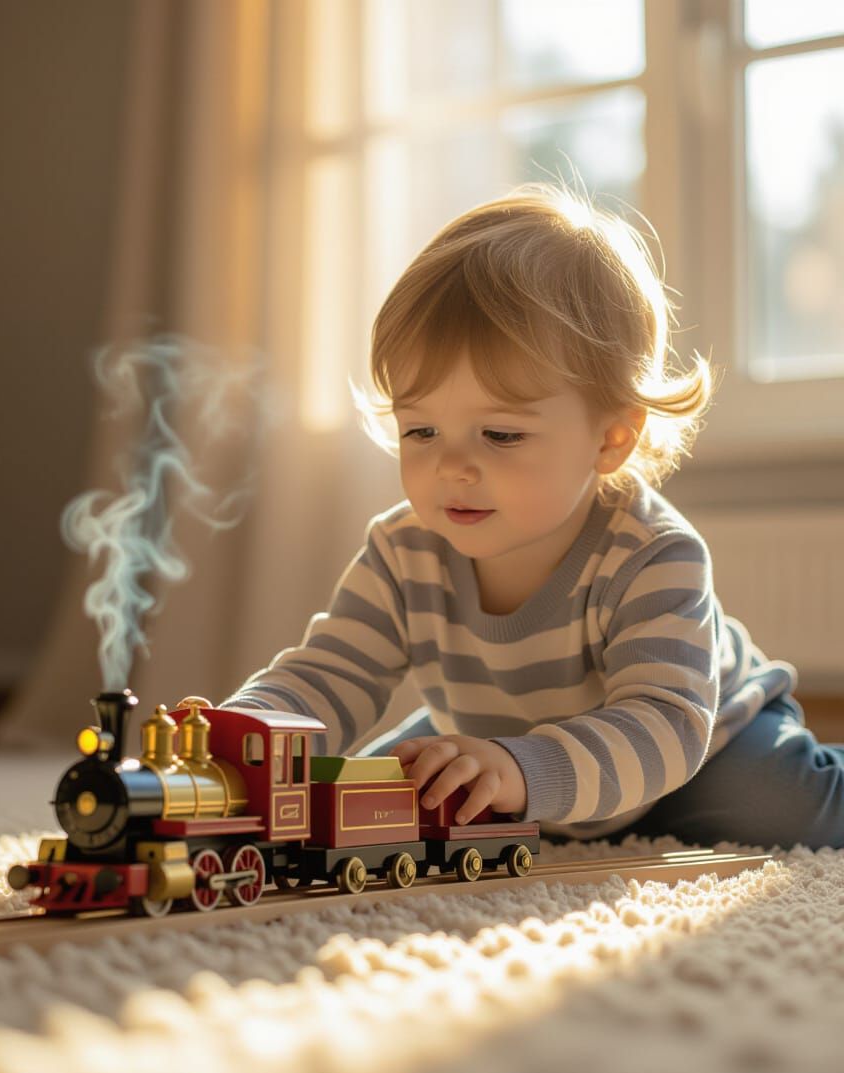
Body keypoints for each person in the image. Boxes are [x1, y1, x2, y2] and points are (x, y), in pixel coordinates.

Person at [224, 183, 844, 850]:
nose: (451, 468)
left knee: (779, 811)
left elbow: (663, 724)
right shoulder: (403, 549)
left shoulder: (652, 553)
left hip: (700, 742)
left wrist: (522, 767)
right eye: (421, 432)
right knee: (371, 798)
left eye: (500, 435)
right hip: (494, 736)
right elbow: (329, 674)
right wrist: (245, 728)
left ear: (611, 439)